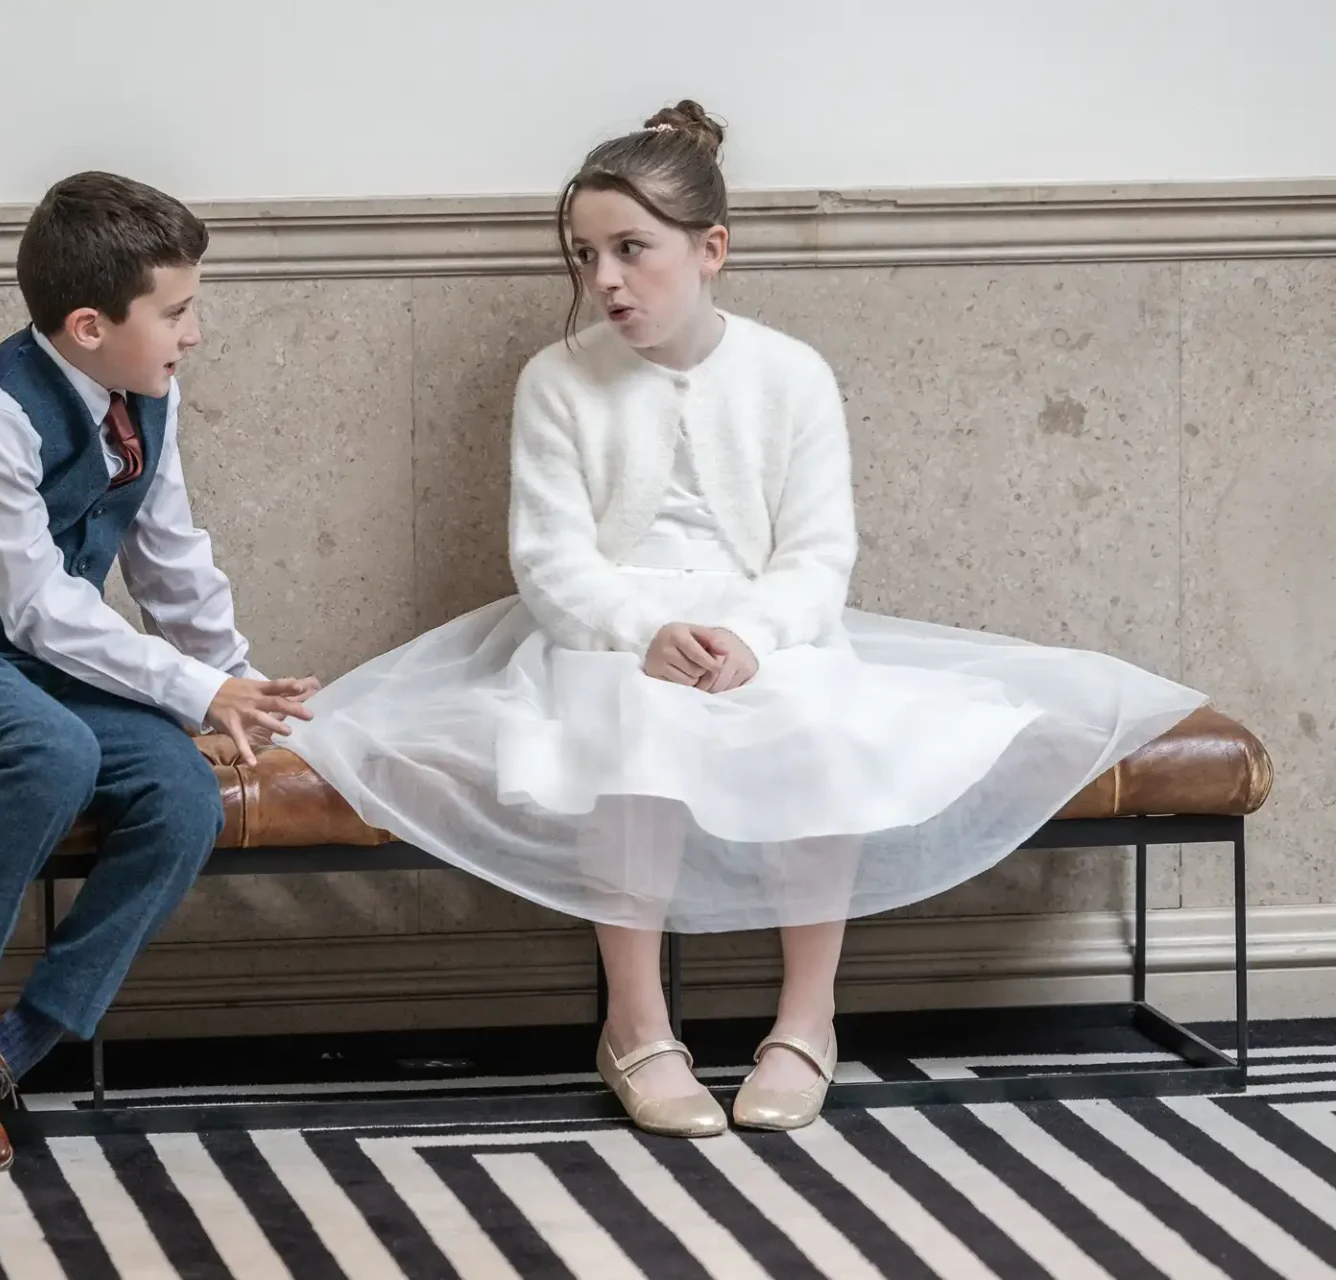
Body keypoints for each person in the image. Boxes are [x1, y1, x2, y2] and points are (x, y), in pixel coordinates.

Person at [285, 101, 1205, 1136]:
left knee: (813, 713)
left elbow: (818, 555)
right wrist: (645, 630)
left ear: (711, 248)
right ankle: (637, 1024)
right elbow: (549, 554)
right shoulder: (557, 379)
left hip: (768, 624)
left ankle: (805, 1021)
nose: (607, 280)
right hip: (606, 628)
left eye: (632, 250)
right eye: (587, 256)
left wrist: (755, 640)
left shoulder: (791, 374)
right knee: (632, 716)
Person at [0, 171, 319, 1171]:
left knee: (180, 790)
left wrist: (240, 684)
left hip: (41, 664)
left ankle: (7, 1046)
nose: (194, 331)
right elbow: (40, 604)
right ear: (88, 324)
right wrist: (192, 688)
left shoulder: (148, 394)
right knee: (52, 748)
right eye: (177, 310)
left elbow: (170, 558)